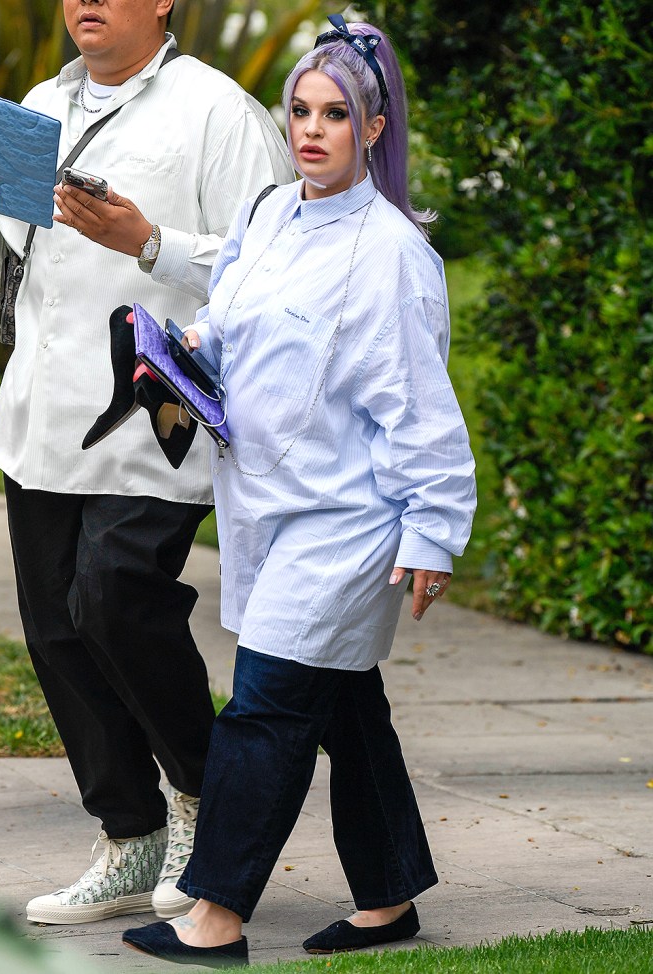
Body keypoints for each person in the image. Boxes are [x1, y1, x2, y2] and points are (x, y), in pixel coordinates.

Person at [121, 13, 477, 968]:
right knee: (346, 709)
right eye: (301, 111)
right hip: (266, 509)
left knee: (267, 708)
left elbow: (422, 415)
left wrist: (430, 535)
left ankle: (216, 915)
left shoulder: (394, 259)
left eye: (336, 114)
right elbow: (229, 322)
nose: (311, 129)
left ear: (374, 127)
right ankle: (390, 896)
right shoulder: (268, 214)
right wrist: (182, 360)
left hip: (348, 524)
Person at [0, 0, 292, 926]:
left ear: (164, 3)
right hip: (42, 417)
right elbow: (8, 263)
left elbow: (269, 265)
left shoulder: (217, 112)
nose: (86, 2)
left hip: (156, 418)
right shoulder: (40, 102)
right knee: (56, 632)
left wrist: (146, 241)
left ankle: (202, 799)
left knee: (114, 595)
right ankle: (129, 835)